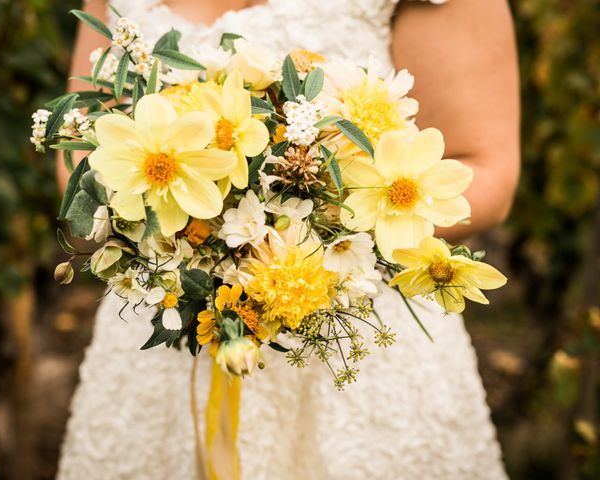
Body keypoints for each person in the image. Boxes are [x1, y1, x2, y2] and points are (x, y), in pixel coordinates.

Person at [57, 0, 520, 478]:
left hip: (351, 326)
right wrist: (192, 236)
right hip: (167, 318)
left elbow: (485, 166)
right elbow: (79, 154)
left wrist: (305, 226)